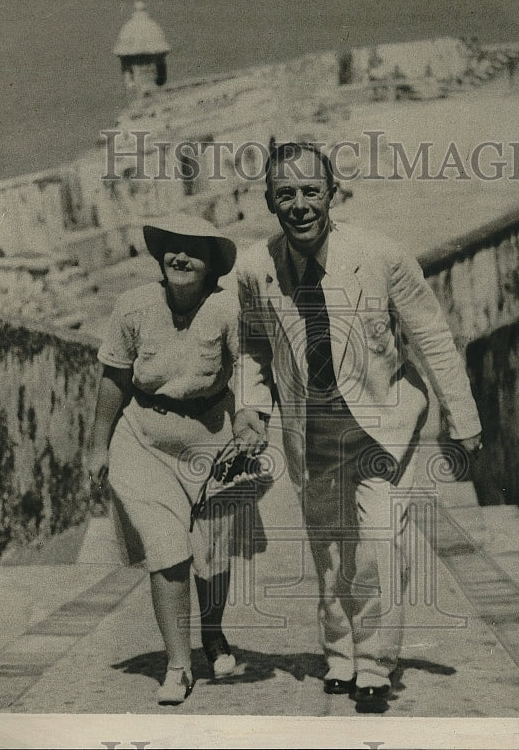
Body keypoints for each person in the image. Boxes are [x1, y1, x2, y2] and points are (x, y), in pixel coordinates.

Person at [233, 142, 482, 710]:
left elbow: (432, 337)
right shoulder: (254, 268)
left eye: (311, 192)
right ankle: (339, 653)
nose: (300, 206)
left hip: (381, 427)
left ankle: (374, 663)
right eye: (285, 195)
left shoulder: (380, 256)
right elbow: (250, 345)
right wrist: (252, 407)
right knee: (330, 552)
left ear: (332, 194)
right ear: (270, 203)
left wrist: (462, 417)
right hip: (312, 434)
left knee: (377, 545)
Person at [87, 213, 248, 706]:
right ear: (160, 255)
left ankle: (213, 635)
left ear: (212, 265)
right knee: (168, 550)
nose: (180, 257)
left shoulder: (228, 309)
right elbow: (115, 378)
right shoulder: (133, 306)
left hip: (212, 441)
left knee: (213, 556)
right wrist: (97, 445)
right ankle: (178, 664)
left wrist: (248, 420)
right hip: (144, 439)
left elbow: (249, 369)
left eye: (193, 251)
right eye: (172, 248)